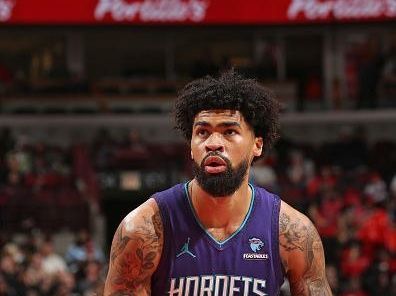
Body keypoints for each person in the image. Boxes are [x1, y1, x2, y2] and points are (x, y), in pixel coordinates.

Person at [104, 70, 332, 295]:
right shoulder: (145, 229)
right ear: (191, 146)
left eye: (229, 131)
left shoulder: (292, 232)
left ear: (257, 145)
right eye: (202, 132)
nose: (213, 143)